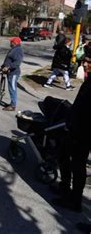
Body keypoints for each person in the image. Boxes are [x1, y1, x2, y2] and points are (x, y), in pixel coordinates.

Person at [52, 56, 91, 213]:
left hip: (84, 132)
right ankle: (64, 188)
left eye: (89, 62)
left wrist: (77, 128)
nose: (85, 64)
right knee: (63, 156)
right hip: (75, 127)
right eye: (84, 61)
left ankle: (75, 201)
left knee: (78, 165)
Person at [1, 37, 24, 111]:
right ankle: (12, 103)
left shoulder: (18, 50)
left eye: (11, 42)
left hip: (13, 73)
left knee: (12, 88)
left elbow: (17, 63)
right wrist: (3, 66)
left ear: (15, 43)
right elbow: (9, 60)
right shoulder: (14, 49)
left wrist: (8, 67)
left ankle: (13, 105)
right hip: (10, 72)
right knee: (11, 88)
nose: (10, 43)